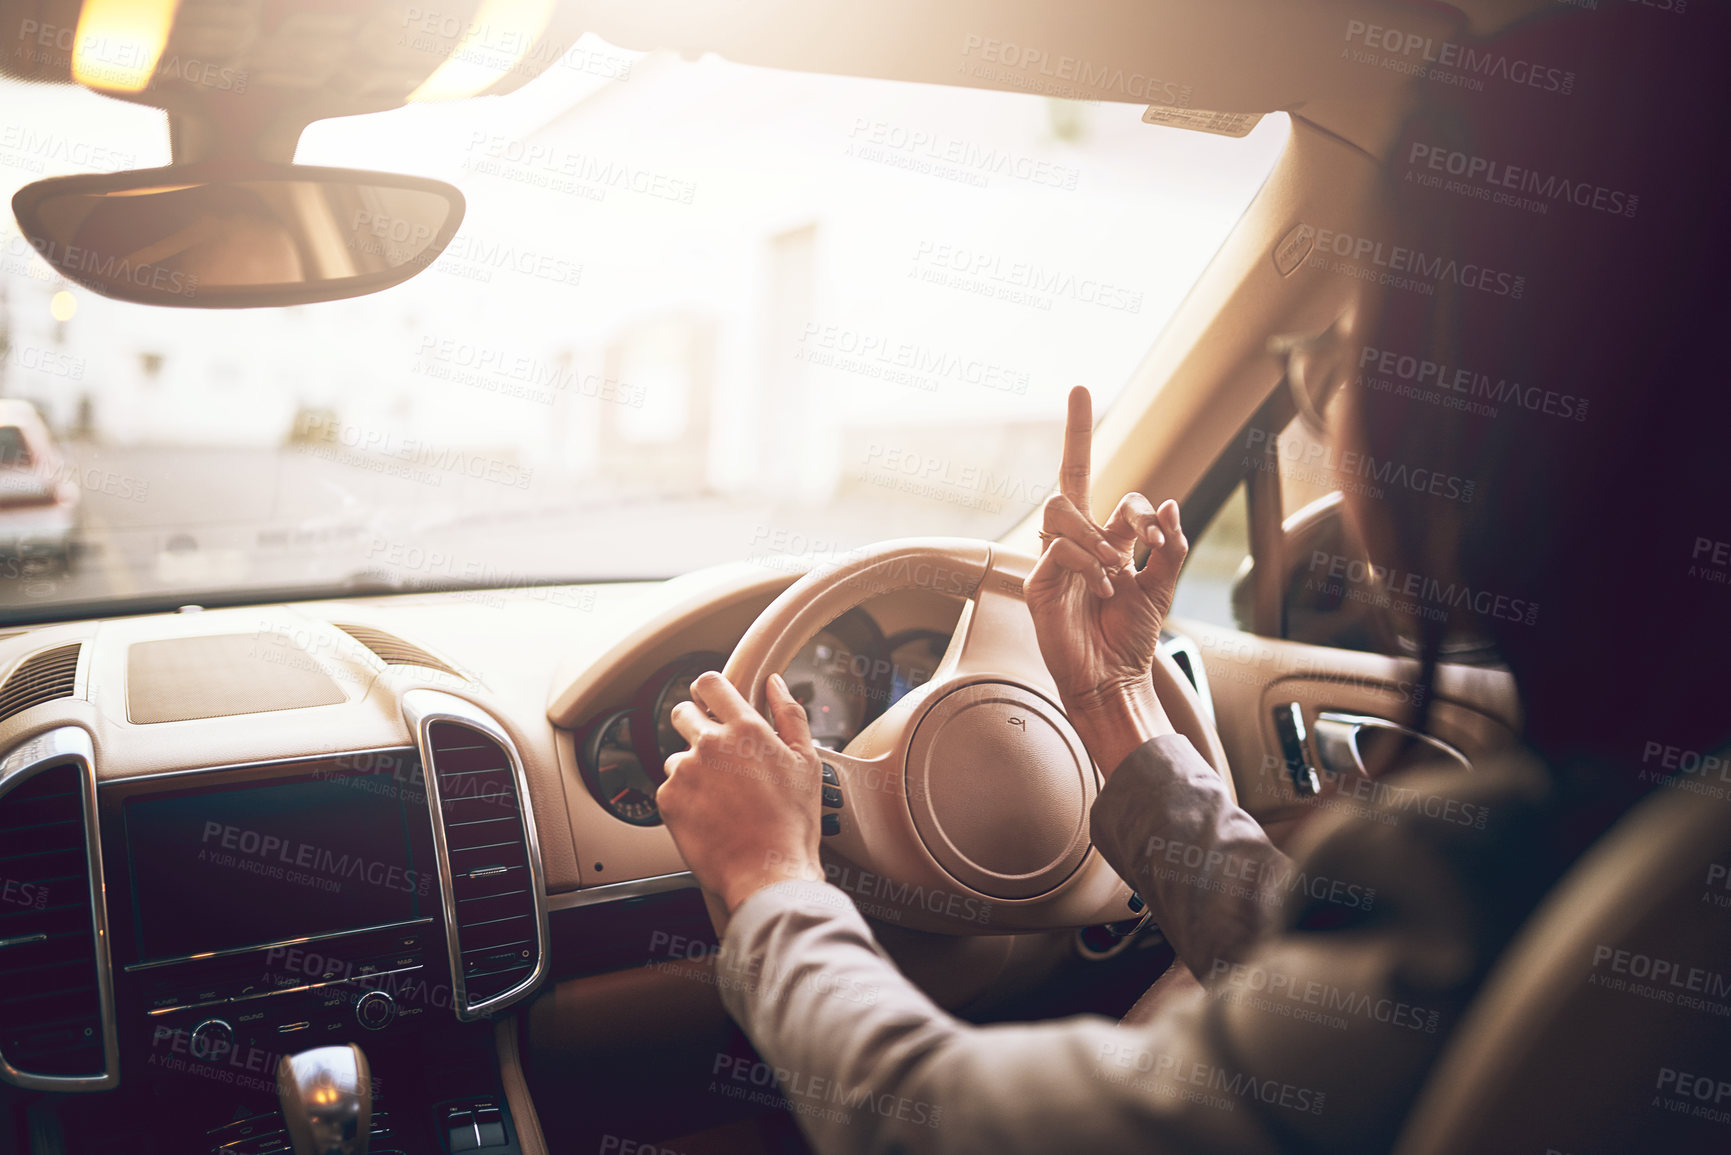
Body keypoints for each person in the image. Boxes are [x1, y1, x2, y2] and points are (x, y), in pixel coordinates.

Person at [654, 5, 1731, 1152]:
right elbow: (1321, 1005)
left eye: (1351, 343)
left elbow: (932, 1122)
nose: (1332, 398)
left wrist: (771, 878)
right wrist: (1112, 704)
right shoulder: (1626, 852)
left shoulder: (1529, 882)